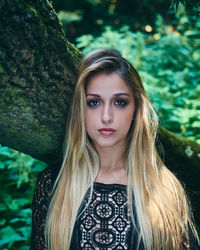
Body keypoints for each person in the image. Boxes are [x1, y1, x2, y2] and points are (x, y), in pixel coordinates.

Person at [30, 48, 199, 250]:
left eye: (120, 102)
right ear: (80, 110)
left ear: (136, 109)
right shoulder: (52, 185)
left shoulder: (165, 189)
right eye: (93, 102)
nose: (106, 116)